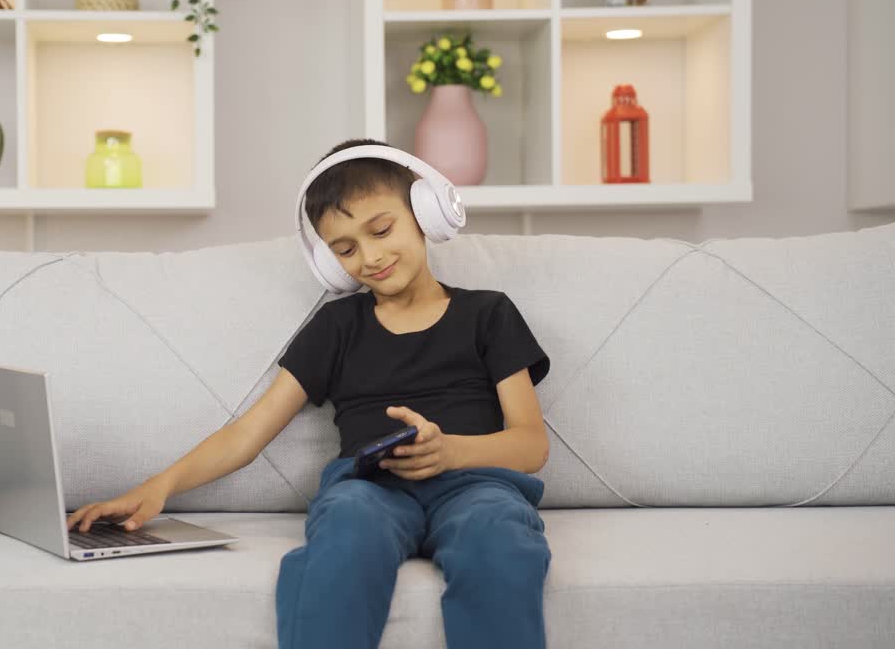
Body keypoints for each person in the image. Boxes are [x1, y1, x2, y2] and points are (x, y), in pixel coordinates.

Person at [67, 138, 553, 648]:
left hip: (475, 486)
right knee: (347, 530)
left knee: (499, 542)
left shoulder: (488, 314)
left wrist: (451, 450)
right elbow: (248, 433)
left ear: (425, 211)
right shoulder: (337, 326)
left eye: (381, 230)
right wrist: (156, 488)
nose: (369, 257)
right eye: (345, 249)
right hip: (369, 490)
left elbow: (531, 445)